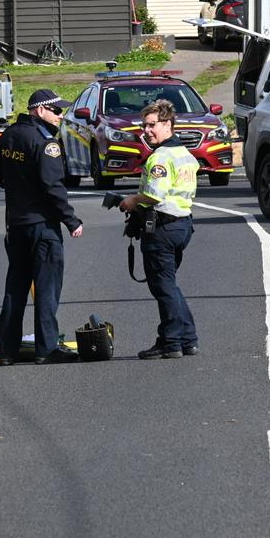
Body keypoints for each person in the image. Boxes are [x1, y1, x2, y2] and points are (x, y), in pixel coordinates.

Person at [0, 89, 84, 365]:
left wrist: (18, 190)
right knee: (46, 288)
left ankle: (7, 351)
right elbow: (53, 186)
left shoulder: (10, 135)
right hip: (42, 226)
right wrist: (71, 220)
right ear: (39, 110)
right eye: (56, 110)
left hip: (15, 225)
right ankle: (46, 348)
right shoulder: (45, 142)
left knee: (15, 288)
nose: (60, 115)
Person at [117, 99, 200, 359]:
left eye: (152, 125)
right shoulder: (183, 153)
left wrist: (131, 201)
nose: (147, 131)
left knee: (163, 288)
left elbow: (154, 194)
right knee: (169, 285)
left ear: (167, 124)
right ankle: (187, 339)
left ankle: (171, 342)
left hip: (163, 228)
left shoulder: (161, 157)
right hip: (182, 224)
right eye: (144, 126)